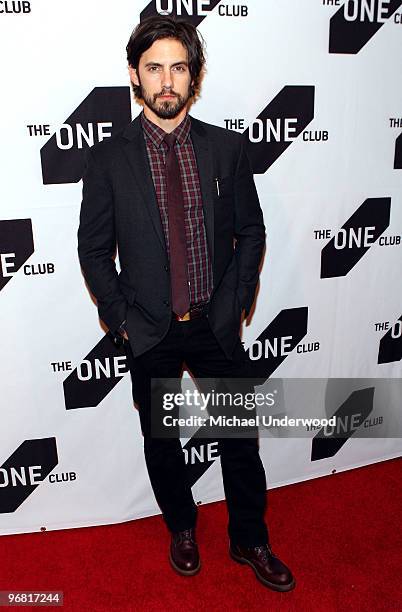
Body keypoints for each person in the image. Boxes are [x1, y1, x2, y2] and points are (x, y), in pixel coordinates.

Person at [77, 15, 295, 592]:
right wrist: (123, 321)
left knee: (239, 439)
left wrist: (236, 302)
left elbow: (251, 230)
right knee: (162, 439)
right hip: (147, 330)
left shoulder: (225, 148)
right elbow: (94, 250)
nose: (166, 81)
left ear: (193, 77)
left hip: (214, 324)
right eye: (154, 68)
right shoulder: (107, 159)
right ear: (134, 75)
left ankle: (250, 538)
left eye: (178, 67)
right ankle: (181, 526)